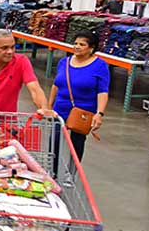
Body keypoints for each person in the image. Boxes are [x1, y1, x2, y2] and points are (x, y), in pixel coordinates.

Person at [46, 32, 109, 161]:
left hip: (83, 110)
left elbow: (102, 91)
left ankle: (72, 173)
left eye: (82, 44)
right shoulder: (64, 62)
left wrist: (99, 113)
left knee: (77, 144)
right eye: (75, 43)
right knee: (54, 142)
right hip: (60, 108)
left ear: (91, 48)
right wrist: (49, 106)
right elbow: (56, 85)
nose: (77, 46)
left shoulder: (100, 66)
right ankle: (52, 173)